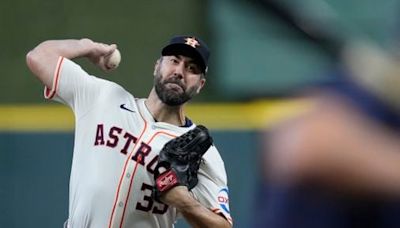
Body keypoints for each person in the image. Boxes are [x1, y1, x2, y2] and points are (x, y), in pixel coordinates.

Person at [26, 36, 232, 228]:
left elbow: (223, 225)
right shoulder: (103, 98)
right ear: (157, 66)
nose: (179, 71)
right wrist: (87, 47)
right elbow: (38, 57)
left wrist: (185, 202)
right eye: (174, 61)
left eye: (192, 68)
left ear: (200, 85)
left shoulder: (202, 151)